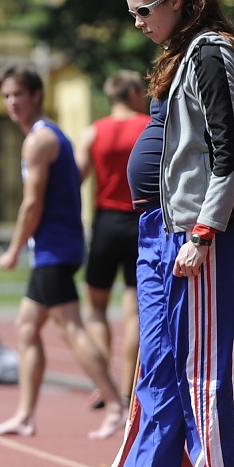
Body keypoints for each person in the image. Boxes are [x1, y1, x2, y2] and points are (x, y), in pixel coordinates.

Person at [76, 0, 234, 467]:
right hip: (154, 226)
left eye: (143, 11)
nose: (138, 23)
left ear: (175, 0)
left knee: (199, 369)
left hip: (195, 232)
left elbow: (230, 153)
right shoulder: (178, 53)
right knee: (155, 366)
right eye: (131, 14)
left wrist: (205, 231)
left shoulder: (213, 53)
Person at [0, 64, 124, 441]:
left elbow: (32, 204)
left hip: (55, 249)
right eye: (6, 95)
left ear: (37, 95)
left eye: (19, 94)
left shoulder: (39, 141)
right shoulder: (49, 136)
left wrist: (13, 250)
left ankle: (115, 403)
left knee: (71, 328)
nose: (12, 102)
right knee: (26, 328)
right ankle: (25, 416)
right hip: (56, 247)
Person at [73, 70, 151, 405]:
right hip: (140, 221)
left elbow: (74, 179)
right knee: (134, 310)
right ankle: (127, 388)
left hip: (105, 223)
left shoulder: (93, 132)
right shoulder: (149, 126)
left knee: (96, 309)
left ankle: (102, 385)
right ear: (133, 92)